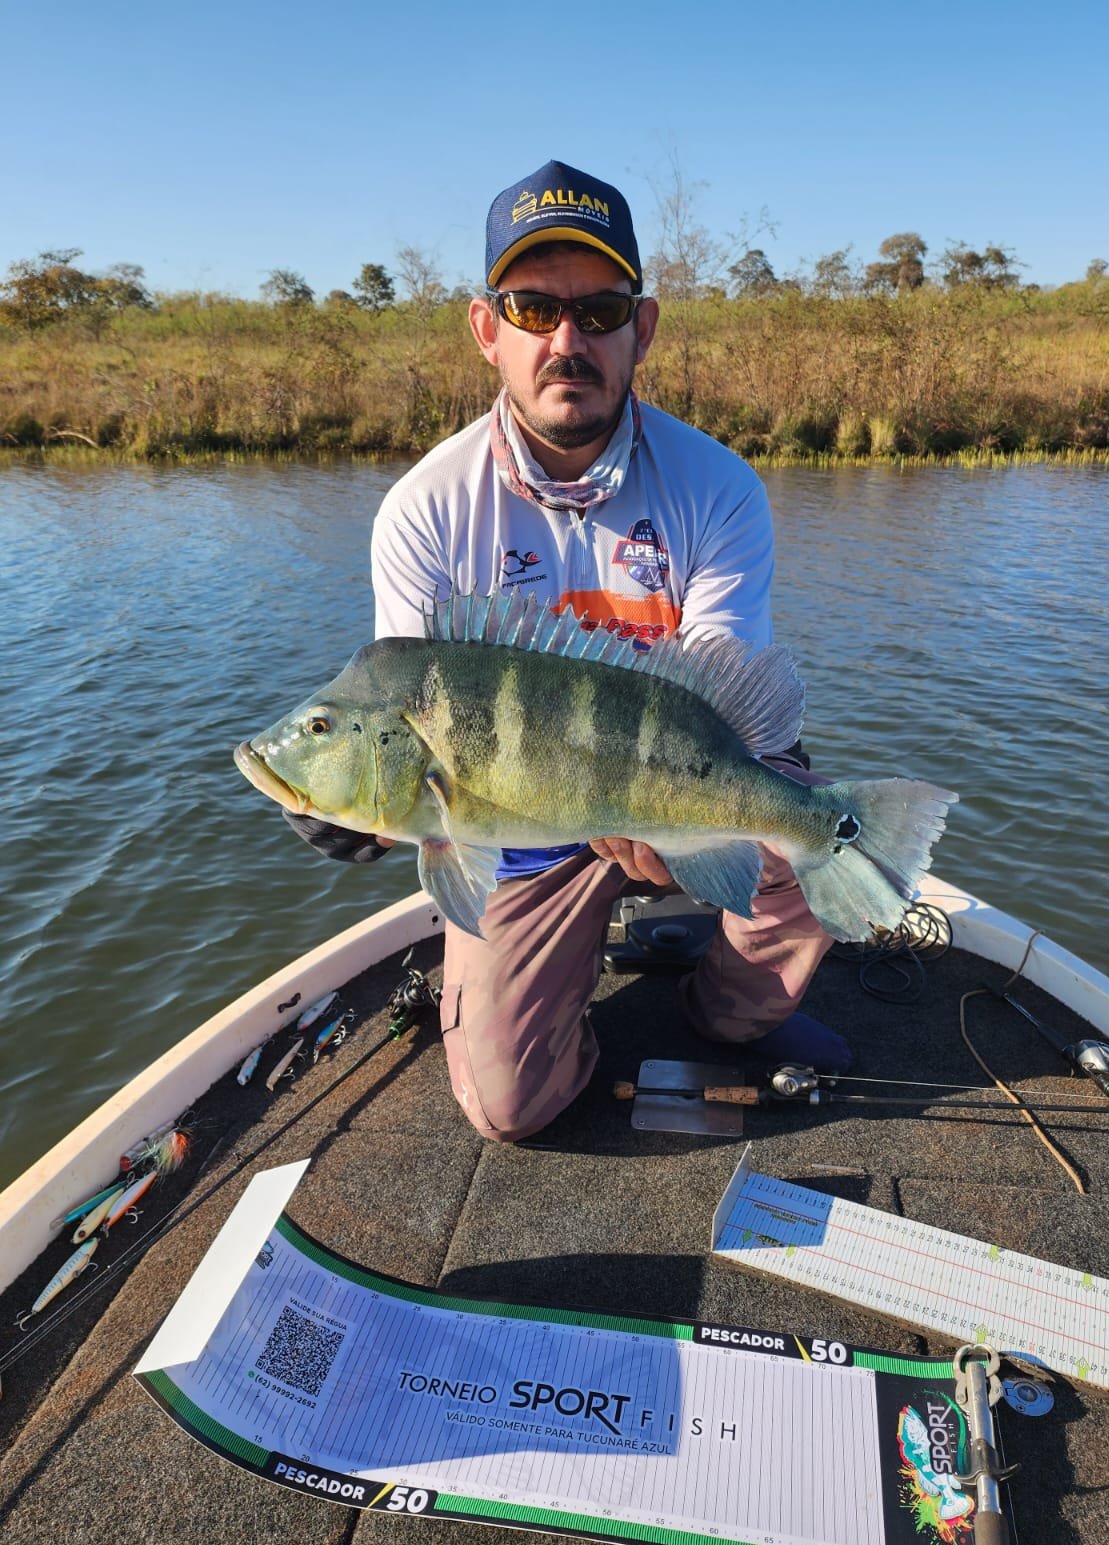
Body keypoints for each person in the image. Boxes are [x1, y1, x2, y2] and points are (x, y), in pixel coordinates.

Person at [288, 158, 848, 1142]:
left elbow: (725, 696)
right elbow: (405, 714)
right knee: (509, 1104)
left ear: (644, 327)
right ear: (485, 330)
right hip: (520, 831)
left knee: (825, 841)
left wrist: (663, 818)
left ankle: (720, 1006)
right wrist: (359, 809)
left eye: (600, 310)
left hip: (679, 788)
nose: (566, 339)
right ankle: (559, 997)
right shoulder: (426, 509)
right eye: (532, 306)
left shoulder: (717, 488)